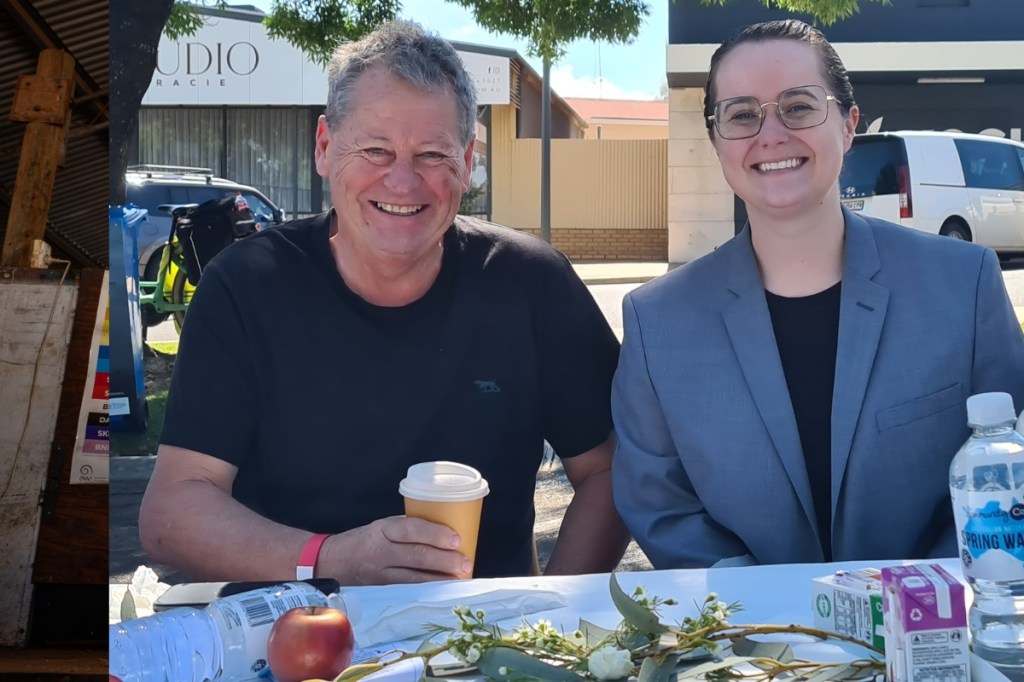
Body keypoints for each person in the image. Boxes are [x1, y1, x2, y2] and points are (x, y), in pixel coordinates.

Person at [139, 20, 629, 585]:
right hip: (291, 634)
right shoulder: (247, 286)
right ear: (325, 147)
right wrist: (331, 559)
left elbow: (611, 471)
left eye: (431, 154)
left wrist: (553, 608)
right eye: (374, 149)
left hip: (483, 641)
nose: (402, 181)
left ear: (467, 162)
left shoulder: (530, 283)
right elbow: (172, 514)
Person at [610, 19, 1024, 569]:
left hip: (939, 632)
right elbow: (660, 504)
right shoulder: (656, 320)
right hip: (757, 647)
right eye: (740, 115)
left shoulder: (962, 283)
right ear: (716, 142)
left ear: (849, 125)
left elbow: (1009, 464)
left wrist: (924, 599)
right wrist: (767, 617)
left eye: (799, 106)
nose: (771, 134)